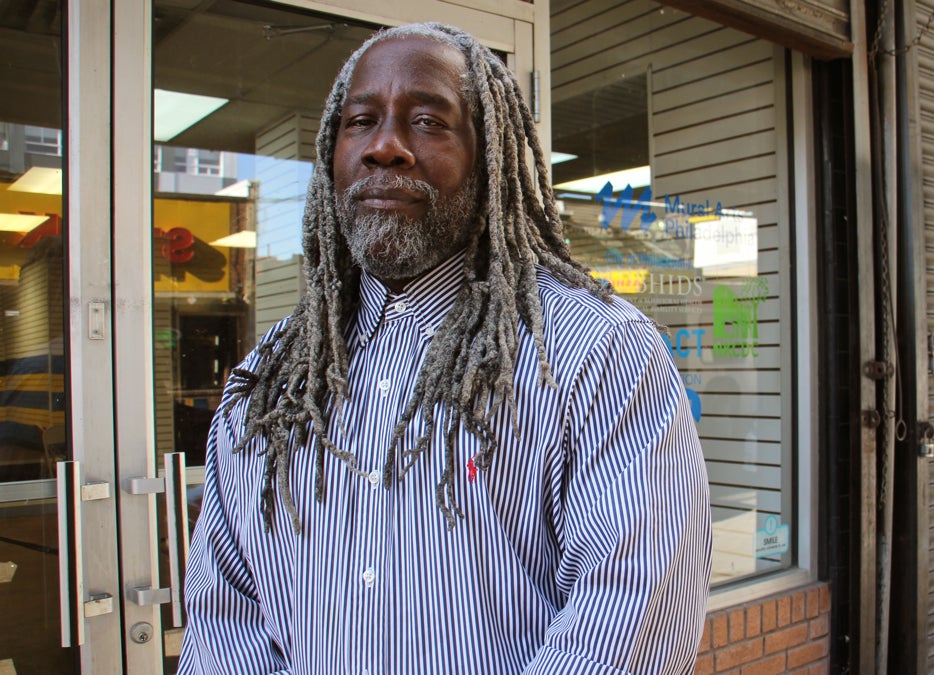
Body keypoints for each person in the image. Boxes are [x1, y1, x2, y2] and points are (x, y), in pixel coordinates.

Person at [179, 22, 711, 675]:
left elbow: (631, 618)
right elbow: (225, 618)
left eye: (428, 121)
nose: (385, 148)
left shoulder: (597, 354)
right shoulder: (273, 378)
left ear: (491, 158)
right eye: (361, 121)